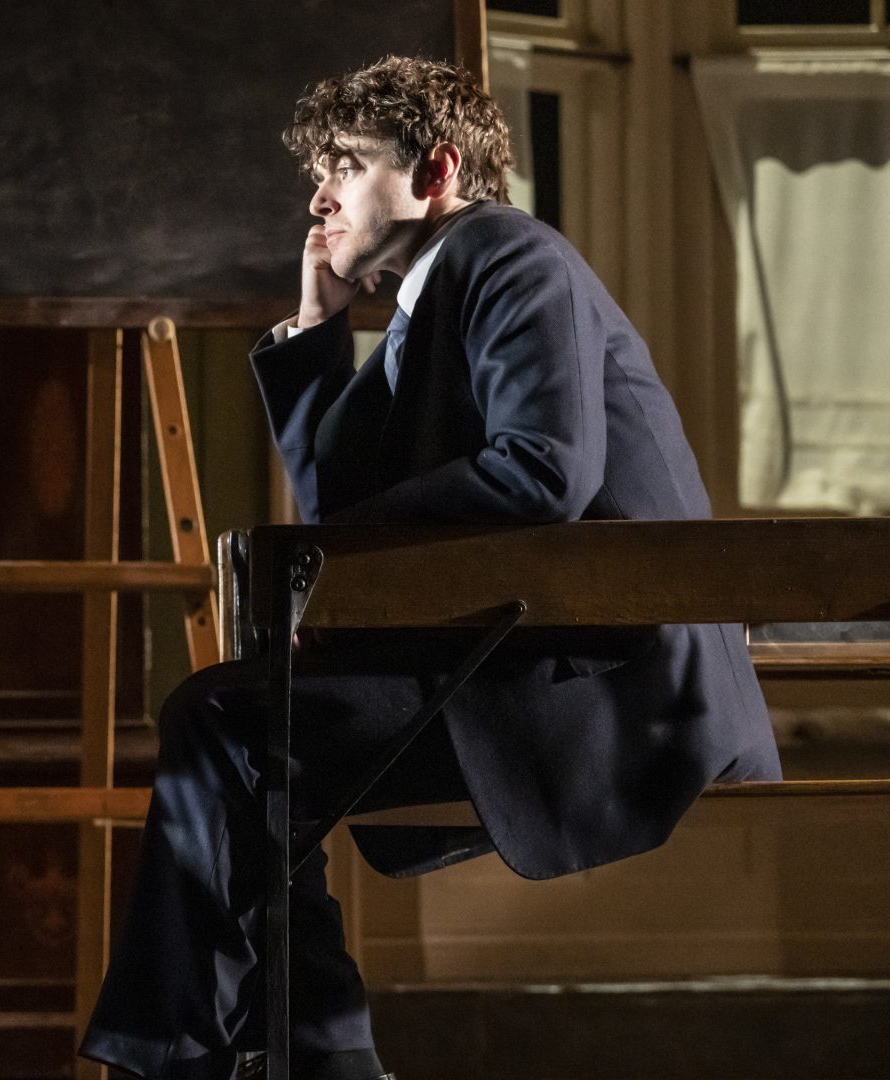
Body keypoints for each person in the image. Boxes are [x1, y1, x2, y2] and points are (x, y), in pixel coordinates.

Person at [79, 55, 781, 1080]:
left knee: (231, 727)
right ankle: (292, 1057)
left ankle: (217, 1057)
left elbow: (545, 470)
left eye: (347, 164)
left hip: (606, 685)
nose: (318, 196)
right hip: (523, 658)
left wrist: (343, 554)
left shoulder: (506, 254)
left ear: (437, 170)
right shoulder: (425, 304)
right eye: (319, 170)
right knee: (243, 740)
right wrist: (317, 329)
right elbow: (342, 509)